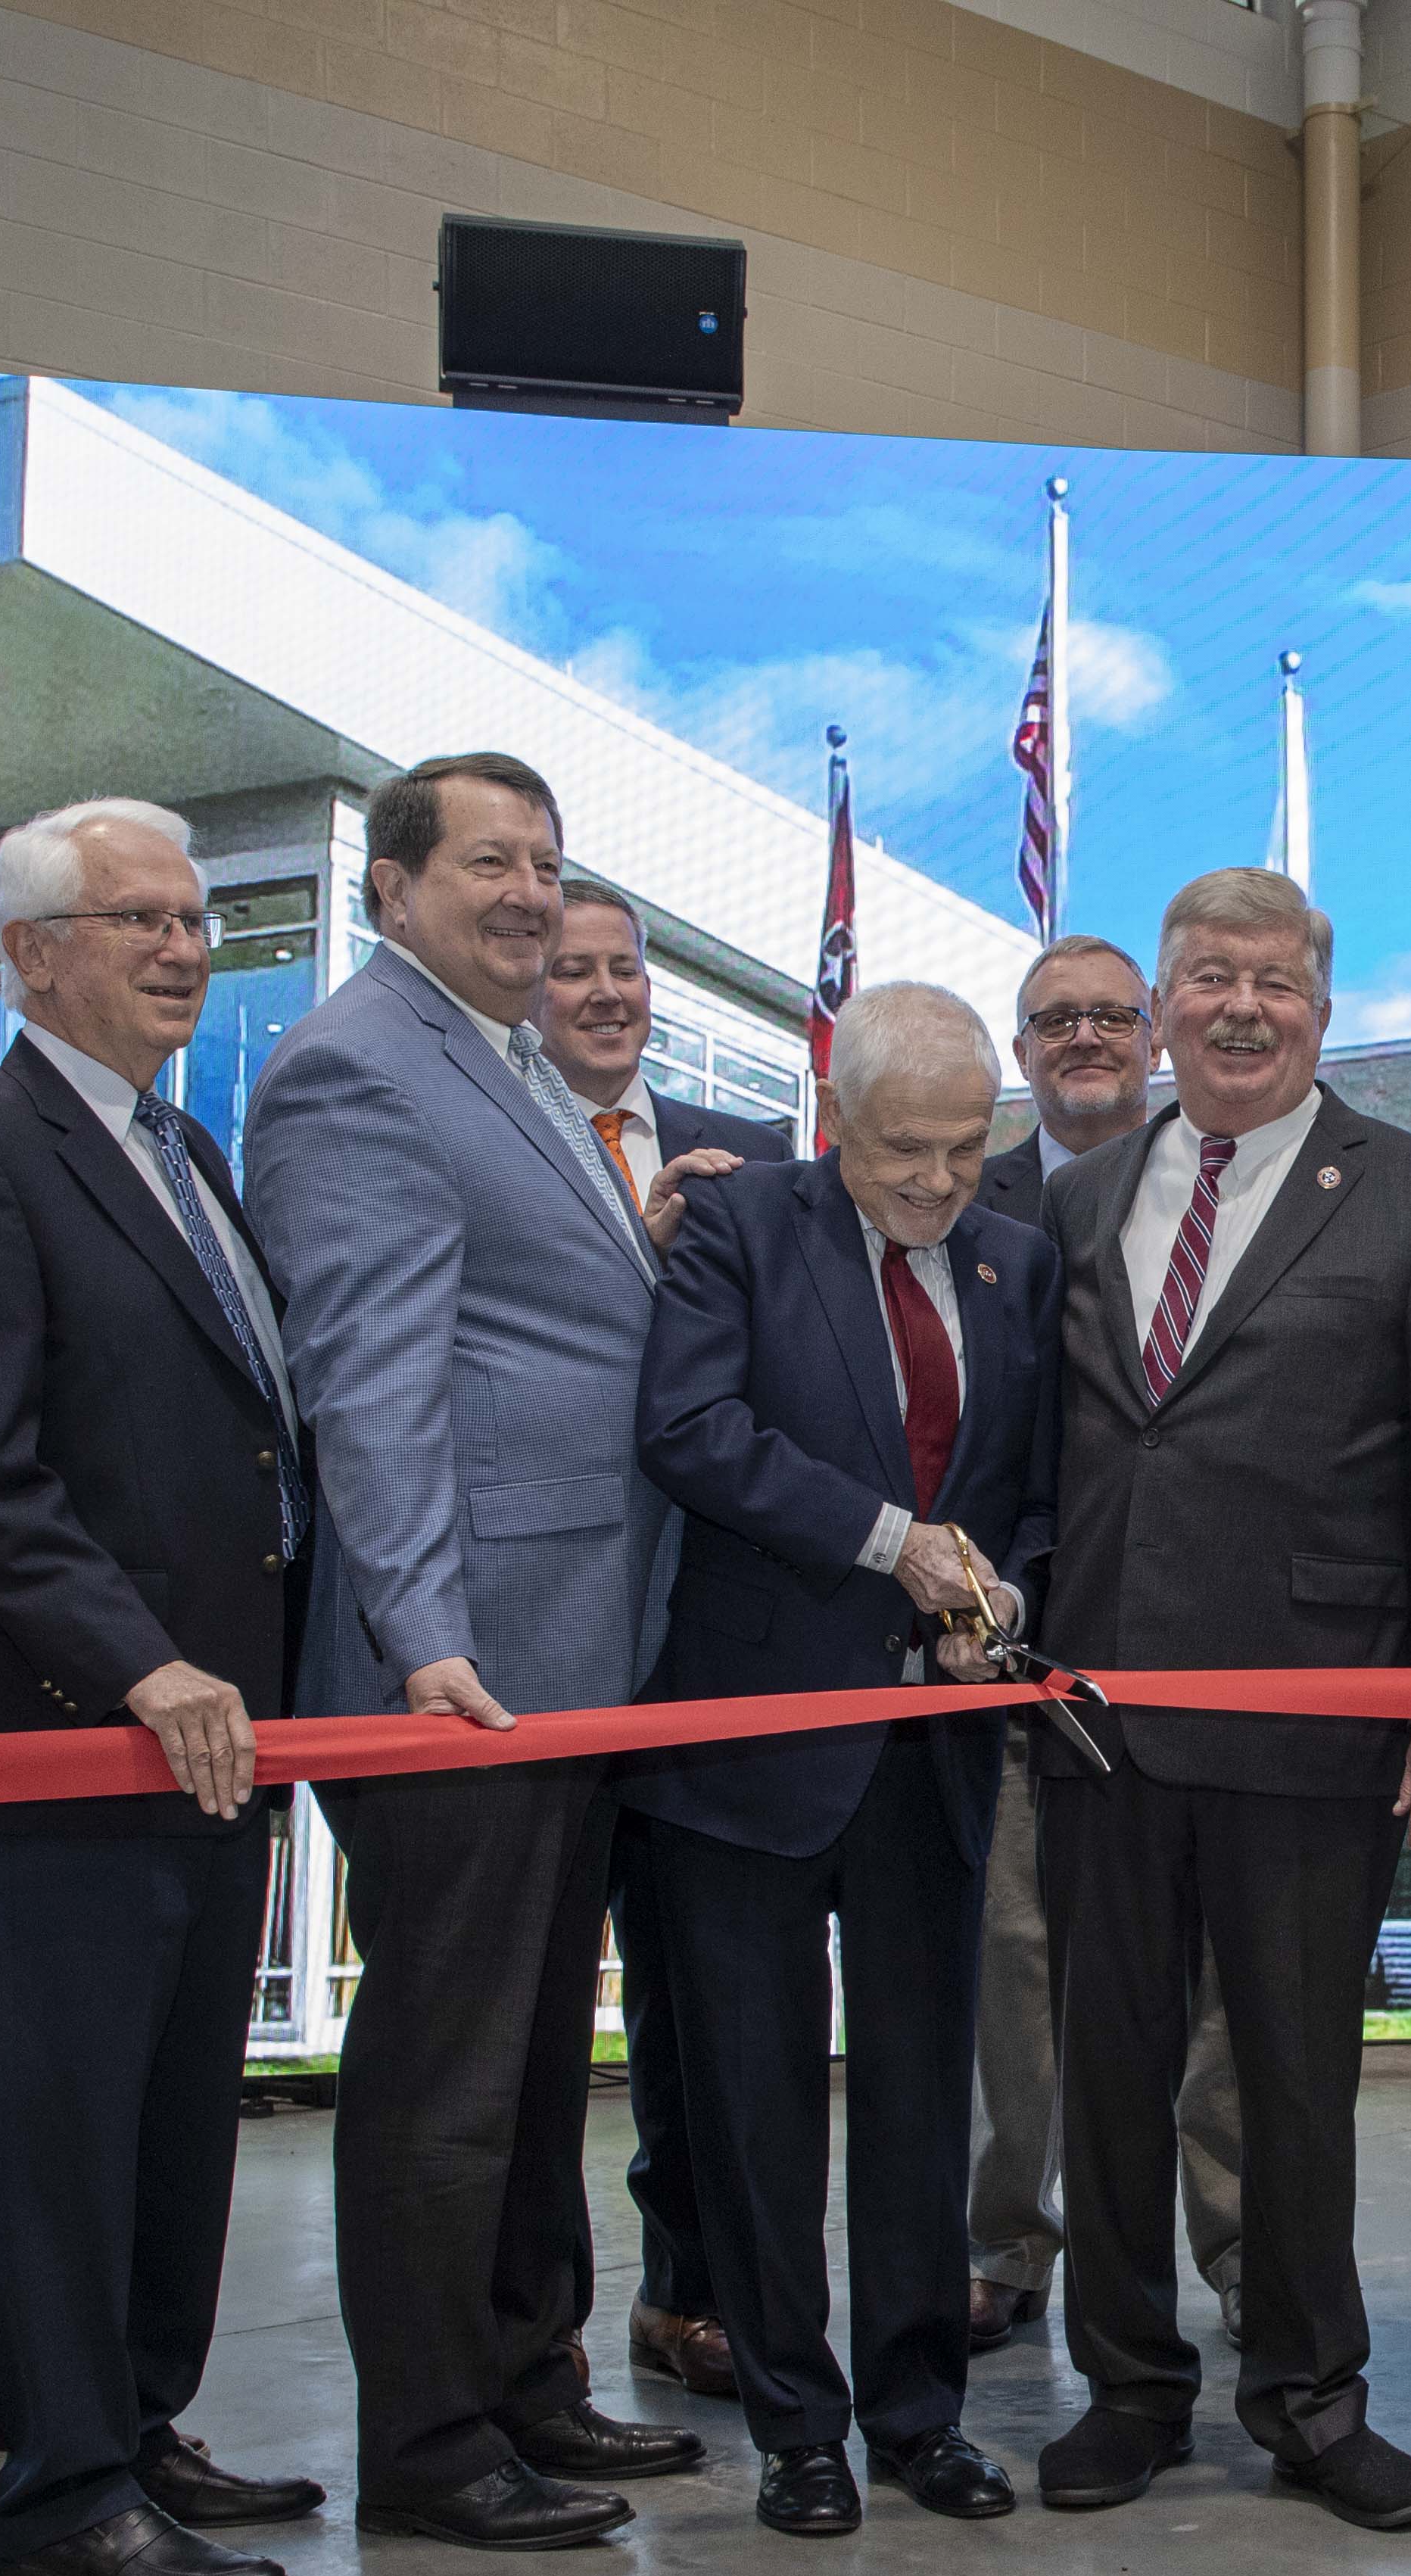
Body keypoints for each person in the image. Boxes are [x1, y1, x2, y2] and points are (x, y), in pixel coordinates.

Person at [236, 752, 694, 2559]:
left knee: (519, 2065)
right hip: (469, 1665)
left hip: (568, 1656)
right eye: (489, 862)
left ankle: (525, 2377)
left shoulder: (499, 1068)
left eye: (547, 863)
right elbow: (374, 1379)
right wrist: (420, 1632)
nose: (525, 892)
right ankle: (432, 2443)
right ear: (392, 886)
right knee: (444, 2071)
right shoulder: (361, 1067)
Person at [0, 796, 329, 2576]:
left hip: (227, 1747)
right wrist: (136, 1662)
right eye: (135, 917)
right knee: (61, 2127)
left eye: (194, 917)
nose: (180, 945)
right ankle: (58, 2485)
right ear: (33, 955)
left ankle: (140, 2426)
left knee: (170, 2117)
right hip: (84, 1731)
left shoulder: (187, 1152)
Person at [1027, 866, 1411, 2533]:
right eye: (1208, 977)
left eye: (1276, 982)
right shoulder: (1079, 1200)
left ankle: (1311, 2392)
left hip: (1317, 1720)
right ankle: (1128, 2383)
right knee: (1110, 2071)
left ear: (1325, 1007)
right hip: (1097, 1719)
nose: (1241, 1007)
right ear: (1162, 1002)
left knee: (1299, 2078)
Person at [624, 984, 1059, 2536]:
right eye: (903, 1150)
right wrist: (895, 1549)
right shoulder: (747, 1230)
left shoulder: (1020, 1258)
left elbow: (1034, 1490)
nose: (939, 1182)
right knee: (751, 2094)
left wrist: (996, 1591)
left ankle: (920, 2411)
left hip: (930, 1750)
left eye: (965, 1146)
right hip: (749, 1739)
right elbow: (691, 1429)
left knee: (921, 2091)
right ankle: (796, 2424)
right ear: (835, 1118)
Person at [963, 939, 1247, 2355]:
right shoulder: (973, 1204)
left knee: (1220, 1986)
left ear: (1153, 1038)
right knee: (1018, 1964)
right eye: (1051, 1019)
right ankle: (1009, 2243)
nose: (1083, 1038)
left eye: (1108, 1016)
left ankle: (1248, 2255)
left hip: (1215, 1659)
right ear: (1022, 1053)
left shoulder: (1231, 1181)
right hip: (1030, 1655)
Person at [535, 879, 799, 2400]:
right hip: (553, 1626)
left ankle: (689, 2284)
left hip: (713, 1636)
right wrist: (636, 1258)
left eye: (623, 966)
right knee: (539, 1994)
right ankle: (532, 2312)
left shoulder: (749, 1153)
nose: (603, 991)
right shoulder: (499, 1143)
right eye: (570, 969)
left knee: (699, 1994)